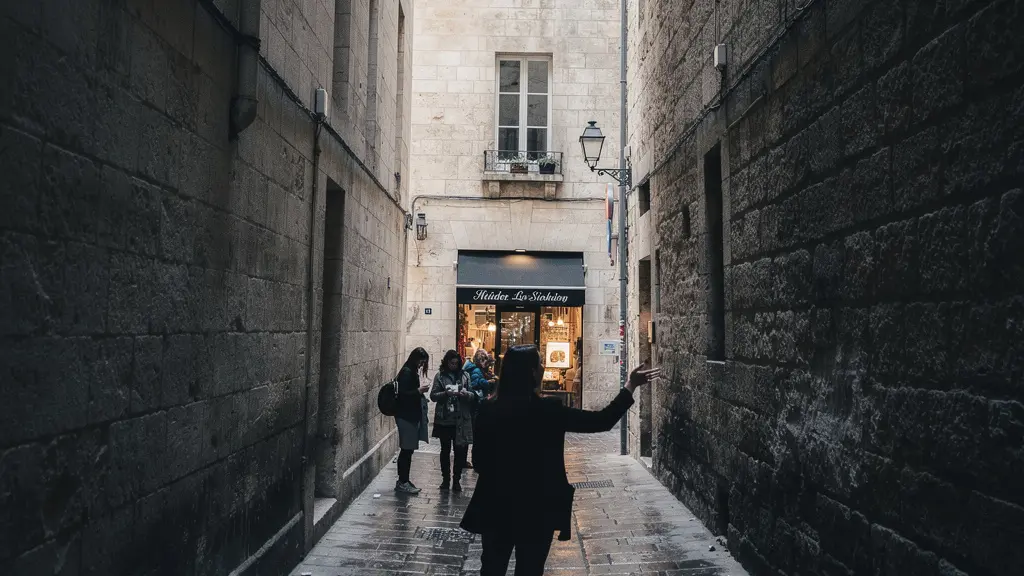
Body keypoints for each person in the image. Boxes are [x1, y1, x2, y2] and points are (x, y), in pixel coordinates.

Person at [460, 344, 661, 575]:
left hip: (497, 504)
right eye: (539, 363)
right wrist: (630, 386)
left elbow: (479, 461)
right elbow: (602, 421)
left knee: (492, 568)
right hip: (536, 507)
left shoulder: (488, 409)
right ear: (532, 372)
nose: (543, 367)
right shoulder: (548, 411)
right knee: (530, 569)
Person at [430, 350, 479, 491]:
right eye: (451, 363)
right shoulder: (440, 376)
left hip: (460, 420)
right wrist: (446, 393)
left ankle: (456, 480)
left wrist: (465, 394)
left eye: (456, 363)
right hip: (445, 420)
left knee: (460, 451)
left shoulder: (465, 376)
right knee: (445, 451)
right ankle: (445, 479)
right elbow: (433, 396)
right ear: (446, 362)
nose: (453, 366)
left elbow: (472, 395)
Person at [394, 348, 431, 494]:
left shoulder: (410, 370)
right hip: (406, 416)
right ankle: (402, 481)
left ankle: (404, 480)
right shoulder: (407, 372)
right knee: (406, 450)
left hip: (409, 415)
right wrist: (419, 391)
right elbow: (403, 395)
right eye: (421, 361)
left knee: (408, 450)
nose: (422, 364)